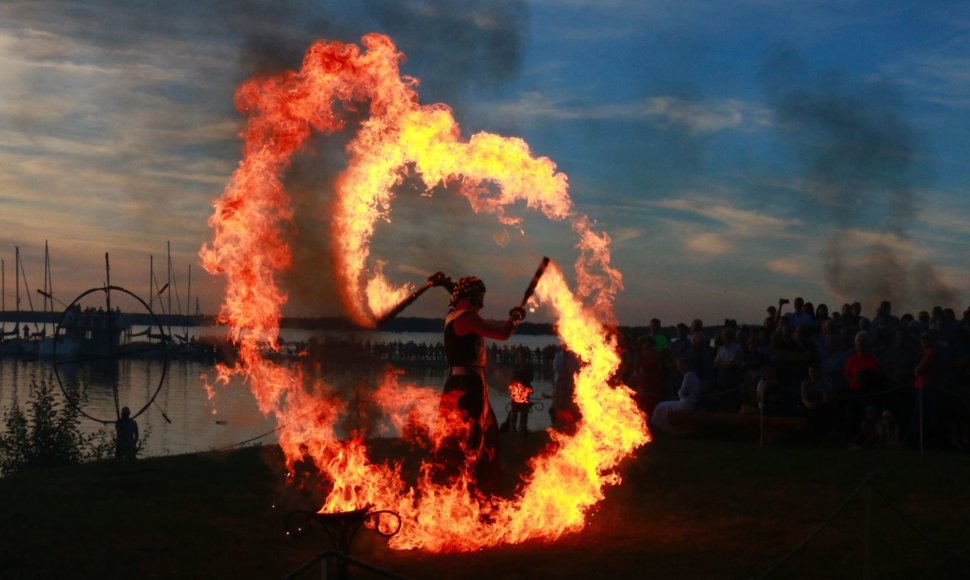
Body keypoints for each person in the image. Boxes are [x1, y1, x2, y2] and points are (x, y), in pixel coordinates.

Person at [431, 275, 524, 496]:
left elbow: (461, 295)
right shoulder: (465, 318)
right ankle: (463, 495)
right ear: (470, 298)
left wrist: (446, 284)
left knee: (488, 441)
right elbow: (502, 333)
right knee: (468, 443)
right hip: (465, 389)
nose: (481, 301)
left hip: (473, 385)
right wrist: (515, 318)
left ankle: (485, 495)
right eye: (478, 296)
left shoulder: (461, 314)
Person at [650, 357, 701, 434]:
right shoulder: (693, 375)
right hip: (688, 403)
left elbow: (682, 392)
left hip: (685, 404)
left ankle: (667, 429)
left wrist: (679, 393)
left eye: (680, 366)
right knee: (662, 406)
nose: (679, 369)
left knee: (660, 406)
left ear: (685, 366)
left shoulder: (688, 375)